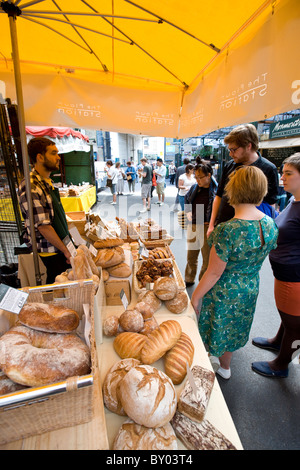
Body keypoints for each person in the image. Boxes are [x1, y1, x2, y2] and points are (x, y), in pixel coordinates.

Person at [191, 166, 278, 380]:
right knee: (233, 328)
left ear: (233, 191)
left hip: (224, 290)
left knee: (216, 324)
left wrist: (195, 296)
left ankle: (210, 362)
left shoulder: (227, 230)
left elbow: (213, 273)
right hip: (250, 286)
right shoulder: (269, 224)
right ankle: (225, 367)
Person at [252, 153, 300, 378]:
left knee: (295, 324)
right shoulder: (293, 200)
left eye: (289, 173)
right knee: (287, 316)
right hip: (284, 272)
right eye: (283, 172)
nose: (283, 177)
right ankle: (277, 342)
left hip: (295, 275)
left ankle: (281, 364)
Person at [207, 124, 279, 237]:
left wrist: (266, 232)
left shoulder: (269, 169)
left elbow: (270, 203)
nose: (230, 154)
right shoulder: (230, 166)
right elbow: (219, 196)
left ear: (248, 146)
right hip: (223, 228)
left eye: (234, 150)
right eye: (229, 150)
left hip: (250, 235)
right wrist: (211, 225)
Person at [18, 137, 72, 284]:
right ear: (40, 157)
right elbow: (44, 226)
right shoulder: (30, 185)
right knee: (56, 281)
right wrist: (66, 250)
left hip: (59, 244)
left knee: (63, 281)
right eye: (53, 153)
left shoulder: (46, 181)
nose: (58, 157)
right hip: (49, 248)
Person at [184, 158, 218, 287]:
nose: (197, 180)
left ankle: (202, 283)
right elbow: (186, 200)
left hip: (206, 227)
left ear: (209, 175)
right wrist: (187, 212)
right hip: (193, 224)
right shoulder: (194, 187)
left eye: (200, 177)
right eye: (195, 177)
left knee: (207, 258)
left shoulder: (216, 190)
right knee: (191, 256)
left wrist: (212, 224)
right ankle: (189, 278)